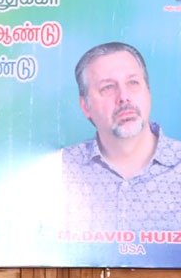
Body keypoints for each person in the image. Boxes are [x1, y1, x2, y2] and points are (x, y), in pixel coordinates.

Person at [61, 42, 181, 231]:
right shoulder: (60, 170)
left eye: (133, 83)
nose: (124, 97)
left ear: (148, 92)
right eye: (108, 87)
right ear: (85, 106)